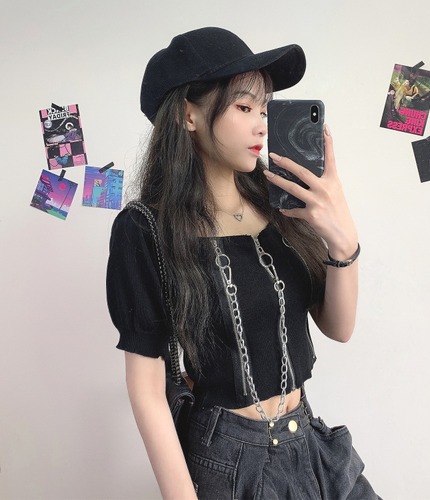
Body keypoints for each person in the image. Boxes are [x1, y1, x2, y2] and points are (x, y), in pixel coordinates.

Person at [106, 27, 380, 499]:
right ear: (188, 115)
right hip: (232, 464)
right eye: (244, 107)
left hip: (312, 443)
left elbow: (339, 327)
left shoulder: (281, 207)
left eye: (264, 109)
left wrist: (343, 239)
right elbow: (147, 391)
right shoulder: (144, 229)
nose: (261, 126)